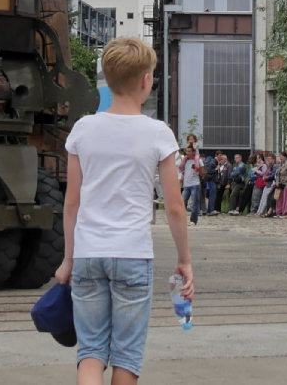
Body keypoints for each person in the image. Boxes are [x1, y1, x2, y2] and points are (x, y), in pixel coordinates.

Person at [56, 37, 192, 385]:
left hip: (88, 253)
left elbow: (72, 201)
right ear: (146, 80)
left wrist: (68, 259)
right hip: (132, 254)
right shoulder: (158, 133)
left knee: (90, 352)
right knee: (126, 357)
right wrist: (184, 259)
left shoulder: (83, 129)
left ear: (106, 77)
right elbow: (174, 207)